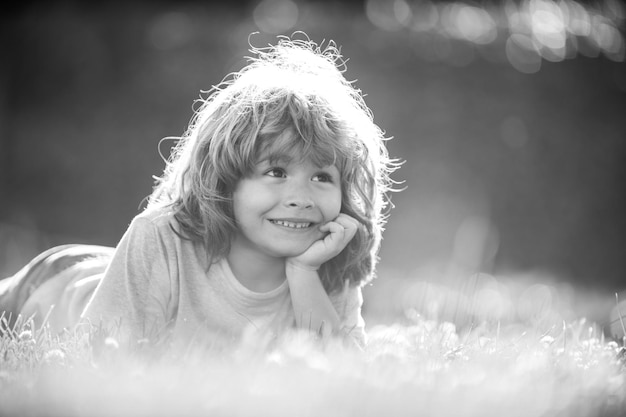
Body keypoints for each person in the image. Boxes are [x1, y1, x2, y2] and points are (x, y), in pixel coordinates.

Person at [0, 35, 398, 349]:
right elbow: (96, 358)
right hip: (51, 289)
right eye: (276, 171)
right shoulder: (160, 237)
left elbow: (344, 377)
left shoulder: (330, 256)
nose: (302, 197)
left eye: (322, 177)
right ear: (225, 178)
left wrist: (304, 273)